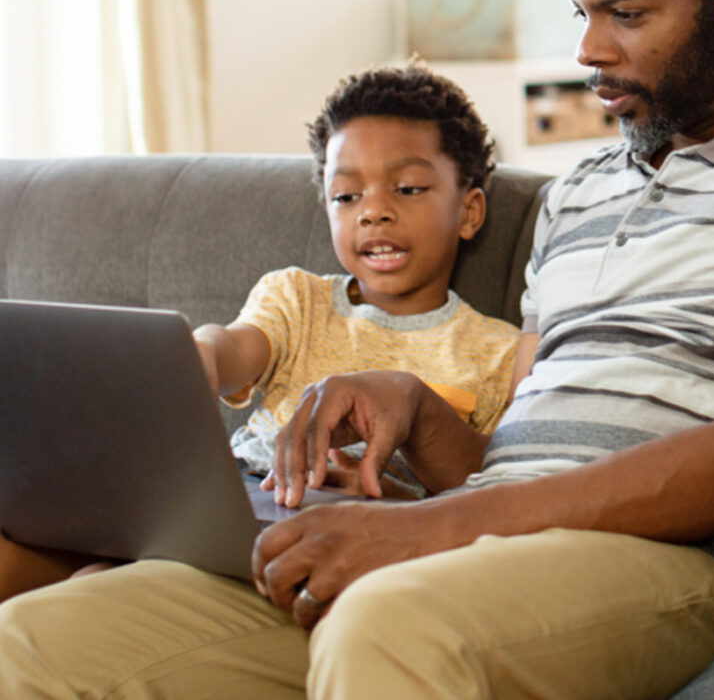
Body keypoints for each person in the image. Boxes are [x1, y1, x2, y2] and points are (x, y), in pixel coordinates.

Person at [1, 0, 714, 700]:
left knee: (392, 627)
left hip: (669, 561)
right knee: (38, 639)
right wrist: (415, 413)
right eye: (585, 13)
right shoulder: (581, 194)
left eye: (626, 14)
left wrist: (431, 534)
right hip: (484, 538)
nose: (588, 50)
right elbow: (523, 438)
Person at [0, 63, 520, 598]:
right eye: (346, 196)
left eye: (407, 188)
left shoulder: (498, 352)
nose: (374, 213)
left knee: (90, 594)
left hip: (336, 535)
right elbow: (234, 348)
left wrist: (393, 497)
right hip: (226, 502)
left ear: (470, 211)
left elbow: (492, 488)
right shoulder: (297, 297)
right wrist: (199, 353)